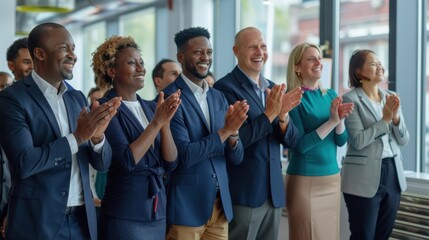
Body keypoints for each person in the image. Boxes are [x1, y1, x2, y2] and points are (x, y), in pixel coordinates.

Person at [0, 22, 121, 240]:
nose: (73, 56)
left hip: (82, 221)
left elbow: (102, 164)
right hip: (37, 222)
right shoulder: (11, 99)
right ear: (39, 53)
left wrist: (97, 138)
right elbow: (24, 162)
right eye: (65, 48)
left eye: (74, 49)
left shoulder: (75, 97)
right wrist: (78, 137)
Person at [214, 26, 302, 240]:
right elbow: (233, 141)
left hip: (273, 193)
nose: (259, 52)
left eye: (263, 46)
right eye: (252, 47)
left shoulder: (273, 87)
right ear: (236, 51)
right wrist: (269, 115)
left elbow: (293, 141)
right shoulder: (224, 88)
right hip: (245, 193)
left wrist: (282, 117)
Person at [163, 27, 249, 240]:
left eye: (209, 52)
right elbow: (183, 156)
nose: (205, 57)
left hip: (220, 206)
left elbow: (235, 158)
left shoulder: (219, 97)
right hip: (186, 208)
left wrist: (234, 135)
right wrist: (225, 131)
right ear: (181, 57)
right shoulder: (169, 98)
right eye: (198, 52)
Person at [92, 35, 181, 240]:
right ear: (111, 71)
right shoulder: (107, 109)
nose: (141, 68)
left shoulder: (151, 107)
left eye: (141, 63)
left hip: (156, 209)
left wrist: (165, 124)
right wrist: (157, 123)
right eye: (132, 63)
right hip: (125, 211)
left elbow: (171, 162)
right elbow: (126, 161)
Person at [285, 42, 354, 240]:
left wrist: (339, 120)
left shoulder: (330, 94)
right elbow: (300, 146)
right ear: (297, 67)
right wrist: (332, 121)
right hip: (305, 181)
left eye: (319, 57)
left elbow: (341, 141)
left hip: (332, 178)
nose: (318, 62)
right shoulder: (292, 99)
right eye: (311, 58)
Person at [341, 49, 409, 240]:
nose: (379, 66)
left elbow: (403, 139)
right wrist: (385, 120)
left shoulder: (391, 96)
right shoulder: (350, 99)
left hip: (393, 174)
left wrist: (395, 119)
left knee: (383, 235)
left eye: (379, 63)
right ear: (358, 71)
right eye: (372, 64)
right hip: (363, 177)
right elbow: (358, 141)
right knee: (363, 235)